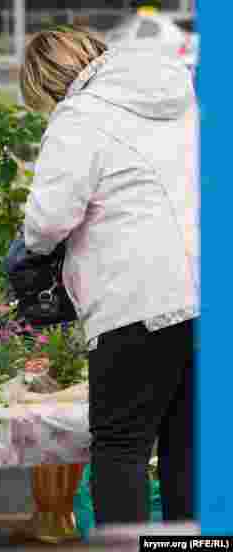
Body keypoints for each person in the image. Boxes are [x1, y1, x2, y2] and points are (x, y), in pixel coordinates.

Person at [19, 29, 199, 526]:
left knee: (122, 448)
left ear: (48, 85)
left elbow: (48, 220)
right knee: (186, 447)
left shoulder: (79, 116)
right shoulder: (177, 96)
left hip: (136, 302)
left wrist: (29, 253)